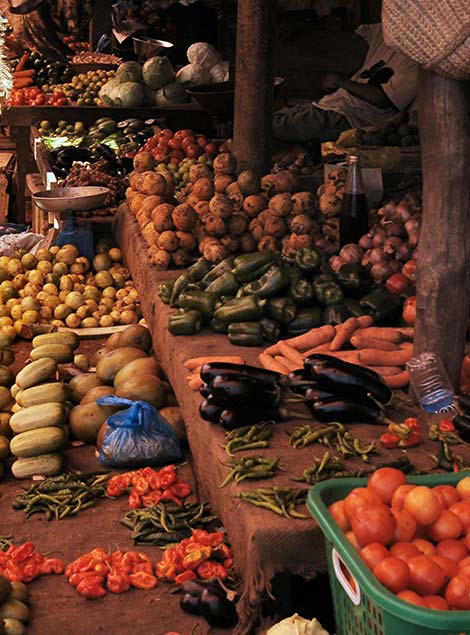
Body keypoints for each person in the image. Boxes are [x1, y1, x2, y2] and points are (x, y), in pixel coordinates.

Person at [272, 22, 418, 144]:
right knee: (266, 119)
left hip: (349, 117)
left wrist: (341, 81)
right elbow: (350, 40)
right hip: (326, 104)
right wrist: (304, 27)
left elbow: (382, 99)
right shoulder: (385, 32)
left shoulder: (417, 63)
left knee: (266, 127)